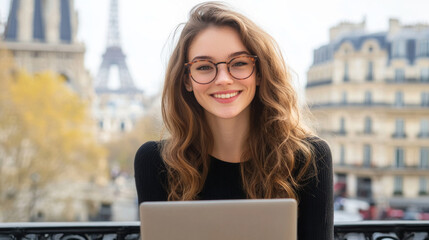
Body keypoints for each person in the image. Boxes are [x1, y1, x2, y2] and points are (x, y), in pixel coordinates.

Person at [134, 2, 333, 239]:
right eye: (205, 66)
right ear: (187, 80)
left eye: (238, 63)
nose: (223, 79)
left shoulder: (309, 158)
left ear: (259, 72)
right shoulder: (155, 162)